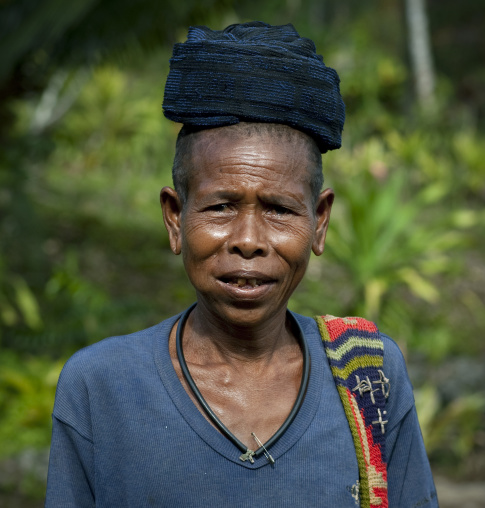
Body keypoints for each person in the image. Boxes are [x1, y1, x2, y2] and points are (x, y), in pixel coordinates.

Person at [45, 22, 438, 507]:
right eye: (220, 207)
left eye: (279, 209)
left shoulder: (369, 377)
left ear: (318, 222)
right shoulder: (101, 387)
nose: (248, 241)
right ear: (174, 218)